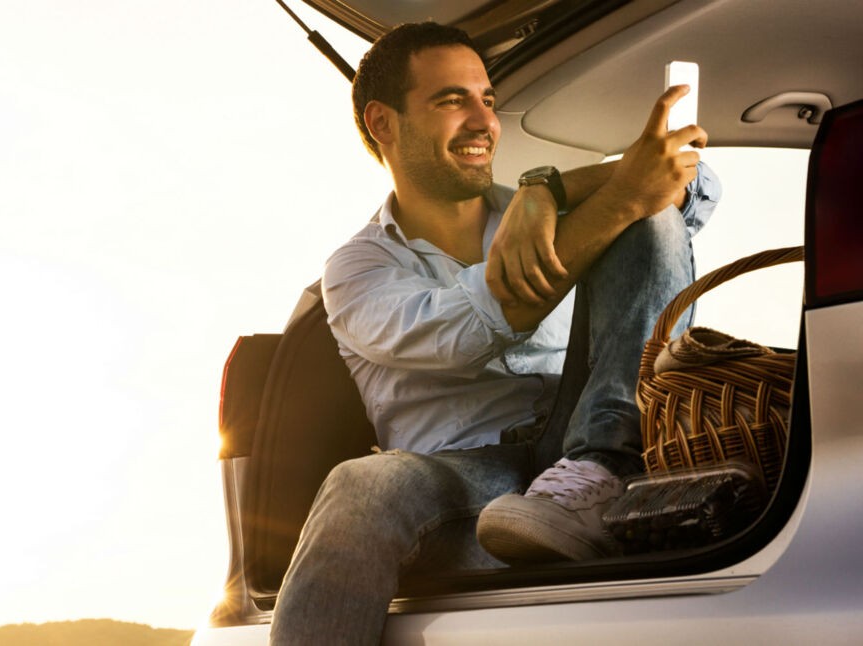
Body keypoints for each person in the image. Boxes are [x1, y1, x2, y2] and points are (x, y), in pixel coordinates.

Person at [267, 21, 721, 645]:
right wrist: (612, 196)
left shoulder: (541, 206)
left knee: (655, 217)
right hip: (460, 480)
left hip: (587, 440)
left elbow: (695, 183)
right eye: (452, 100)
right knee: (361, 485)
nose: (484, 121)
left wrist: (548, 187)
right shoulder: (356, 269)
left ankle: (601, 470)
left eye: (487, 98)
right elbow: (479, 323)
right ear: (383, 123)